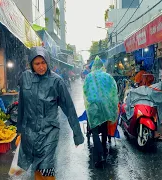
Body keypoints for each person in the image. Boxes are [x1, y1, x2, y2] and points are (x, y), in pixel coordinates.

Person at [17, 47, 84, 180]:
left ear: (48, 62)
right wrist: (19, 131)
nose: (41, 67)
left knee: (47, 167)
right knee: (36, 166)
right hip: (30, 131)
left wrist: (77, 134)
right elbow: (22, 106)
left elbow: (69, 108)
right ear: (31, 64)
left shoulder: (56, 81)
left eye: (43, 63)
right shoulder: (25, 77)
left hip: (49, 130)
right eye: (37, 64)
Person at [83, 56, 119, 168]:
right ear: (102, 66)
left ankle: (100, 155)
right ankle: (104, 150)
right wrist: (112, 104)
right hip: (105, 106)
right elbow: (114, 91)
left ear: (93, 66)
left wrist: (89, 102)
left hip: (93, 106)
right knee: (104, 129)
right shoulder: (108, 77)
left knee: (94, 131)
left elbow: (85, 91)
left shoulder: (88, 77)